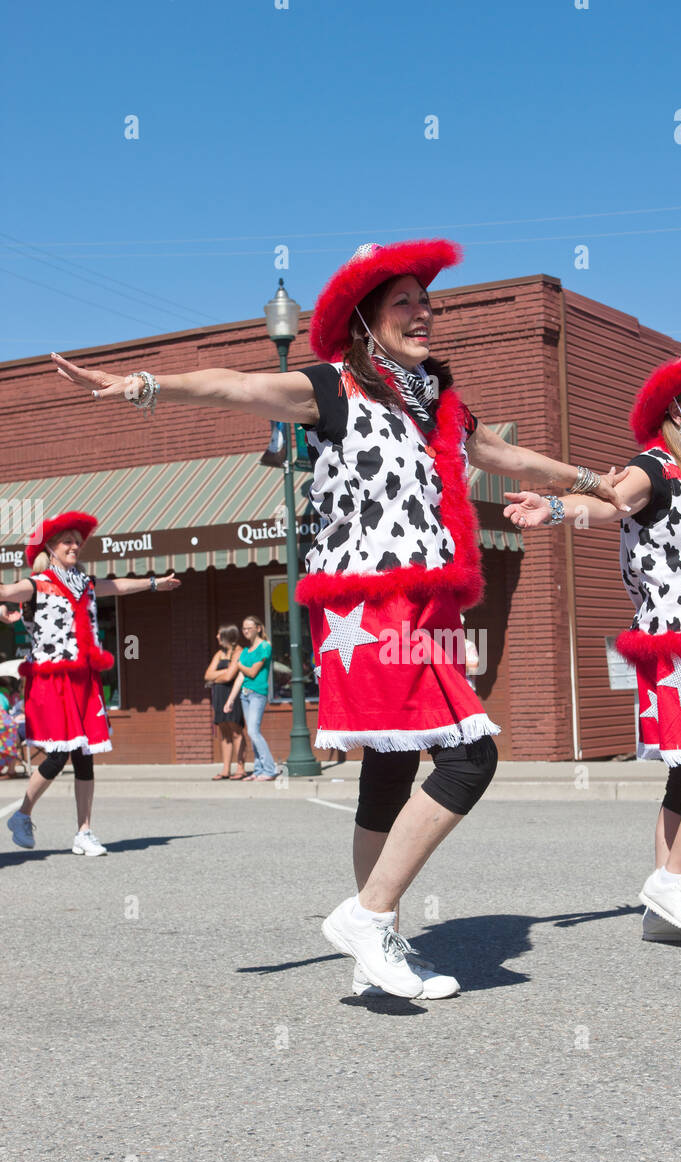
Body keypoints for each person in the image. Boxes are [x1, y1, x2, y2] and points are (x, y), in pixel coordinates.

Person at [49, 237, 626, 996]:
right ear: (365, 318)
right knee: (469, 756)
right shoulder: (331, 389)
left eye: (427, 301)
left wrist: (595, 481)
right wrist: (146, 384)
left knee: (389, 768)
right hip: (367, 605)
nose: (423, 314)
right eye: (404, 303)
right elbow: (234, 387)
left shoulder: (438, 404)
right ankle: (370, 916)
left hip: (425, 602)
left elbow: (503, 457)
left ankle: (372, 942)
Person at [506, 345, 681, 945]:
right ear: (677, 409)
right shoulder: (656, 465)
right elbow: (615, 502)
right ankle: (674, 880)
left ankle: (667, 900)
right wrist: (556, 506)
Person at [0, 512, 180, 854]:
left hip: (85, 678)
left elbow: (120, 586)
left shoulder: (85, 584)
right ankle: (22, 814)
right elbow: (7, 591)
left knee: (85, 756)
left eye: (76, 542)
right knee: (57, 754)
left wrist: (155, 583)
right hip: (53, 680)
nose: (74, 546)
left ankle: (84, 831)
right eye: (67, 541)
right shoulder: (37, 584)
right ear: (51, 548)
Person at [224, 616, 277, 781]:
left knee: (254, 731)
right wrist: (230, 700)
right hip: (244, 695)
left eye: (249, 628)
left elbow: (253, 672)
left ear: (258, 628)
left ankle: (269, 769)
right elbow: (240, 677)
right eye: (244, 628)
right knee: (252, 732)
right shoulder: (246, 652)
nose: (246, 631)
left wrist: (237, 664)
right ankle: (259, 770)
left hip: (258, 694)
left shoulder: (265, 647)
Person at [204, 624, 247, 780]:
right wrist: (224, 672)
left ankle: (240, 768)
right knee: (224, 732)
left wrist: (218, 676)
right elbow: (207, 675)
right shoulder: (219, 654)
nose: (216, 637)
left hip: (233, 695)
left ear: (227, 636)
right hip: (219, 695)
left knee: (236, 730)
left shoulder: (239, 652)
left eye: (219, 634)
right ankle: (225, 769)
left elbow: (230, 677)